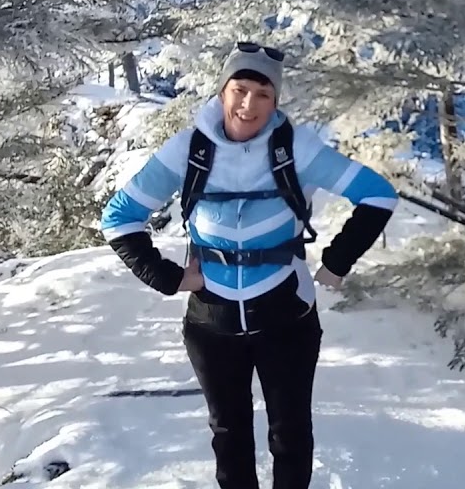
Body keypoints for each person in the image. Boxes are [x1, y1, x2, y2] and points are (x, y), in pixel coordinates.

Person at [101, 43, 398, 489]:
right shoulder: (190, 149)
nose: (248, 104)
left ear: (275, 101)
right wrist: (166, 277)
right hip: (211, 321)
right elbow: (119, 218)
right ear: (222, 92)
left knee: (291, 434)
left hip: (287, 317)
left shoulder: (297, 148)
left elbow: (377, 195)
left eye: (263, 94)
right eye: (239, 89)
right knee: (228, 434)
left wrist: (337, 262)